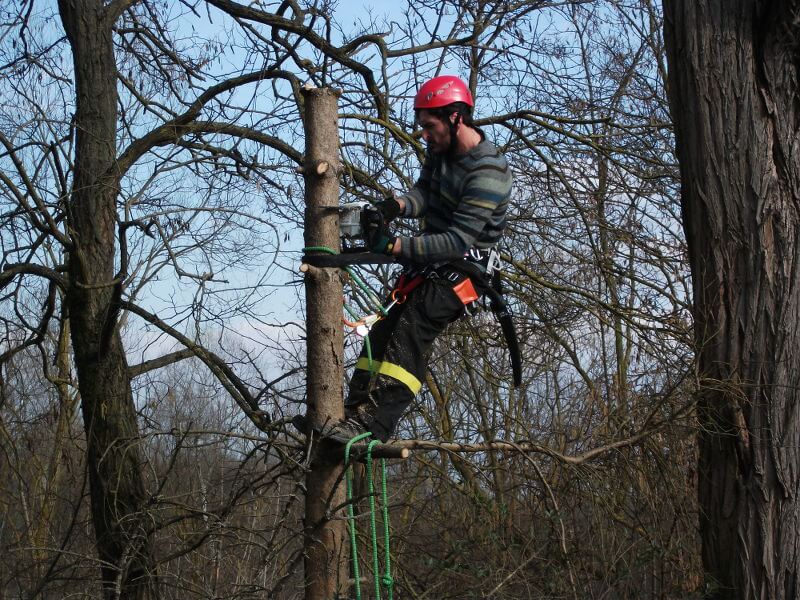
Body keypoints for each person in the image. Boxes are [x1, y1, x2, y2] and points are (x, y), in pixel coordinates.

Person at [327, 75, 513, 443]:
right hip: (430, 265)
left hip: (463, 270)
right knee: (378, 336)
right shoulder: (441, 152)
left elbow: (457, 241)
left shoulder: (488, 171)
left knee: (410, 331)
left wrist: (394, 246)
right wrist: (392, 207)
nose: (424, 135)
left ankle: (372, 426)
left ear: (457, 118)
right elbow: (425, 193)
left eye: (430, 126)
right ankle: (348, 417)